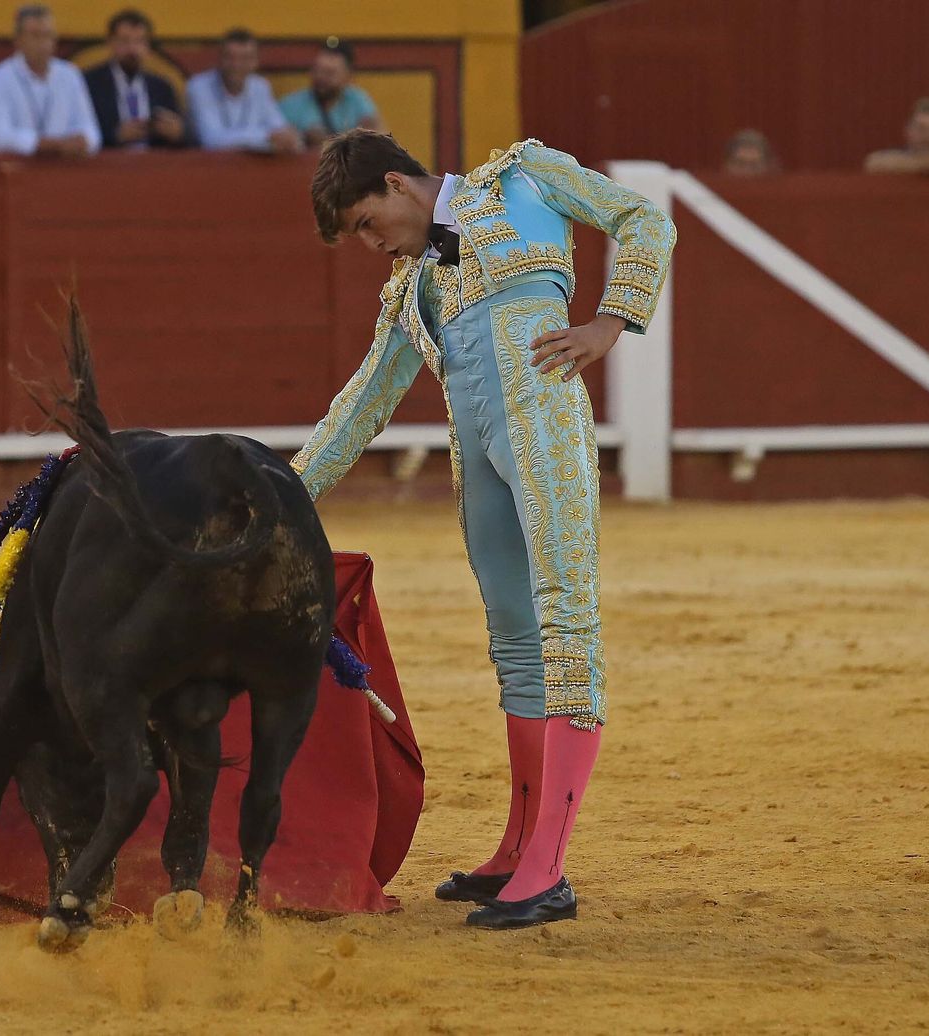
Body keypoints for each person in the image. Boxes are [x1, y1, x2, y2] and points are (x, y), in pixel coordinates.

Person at [293, 130, 674, 929]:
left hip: (544, 436)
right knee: (515, 640)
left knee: (566, 626)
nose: (372, 244)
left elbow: (645, 219)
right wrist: (283, 493)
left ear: (398, 184)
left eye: (368, 222)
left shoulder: (522, 178)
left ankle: (549, 870)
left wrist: (611, 322)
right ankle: (517, 848)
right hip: (484, 463)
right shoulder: (410, 288)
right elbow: (363, 402)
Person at [0, 5, 100, 158]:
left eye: (48, 35)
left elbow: (91, 131)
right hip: (18, 170)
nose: (43, 43)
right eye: (35, 36)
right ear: (18, 40)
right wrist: (44, 144)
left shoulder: (70, 75)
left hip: (64, 169)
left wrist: (84, 141)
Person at [83, 9, 191, 150]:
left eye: (139, 41)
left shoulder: (162, 87)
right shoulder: (89, 83)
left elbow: (180, 142)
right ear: (110, 43)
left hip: (153, 166)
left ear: (148, 46)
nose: (132, 49)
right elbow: (80, 132)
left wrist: (178, 134)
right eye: (125, 41)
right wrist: (115, 136)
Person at [185, 28, 300, 153]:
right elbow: (211, 140)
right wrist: (266, 138)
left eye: (244, 59)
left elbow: (279, 128)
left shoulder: (260, 87)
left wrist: (288, 138)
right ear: (219, 59)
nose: (236, 65)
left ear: (255, 62)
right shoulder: (199, 87)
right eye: (230, 57)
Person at [279, 37, 383, 148]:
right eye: (317, 71)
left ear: (348, 77)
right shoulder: (291, 105)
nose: (321, 78)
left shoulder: (357, 99)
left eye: (330, 73)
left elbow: (379, 138)